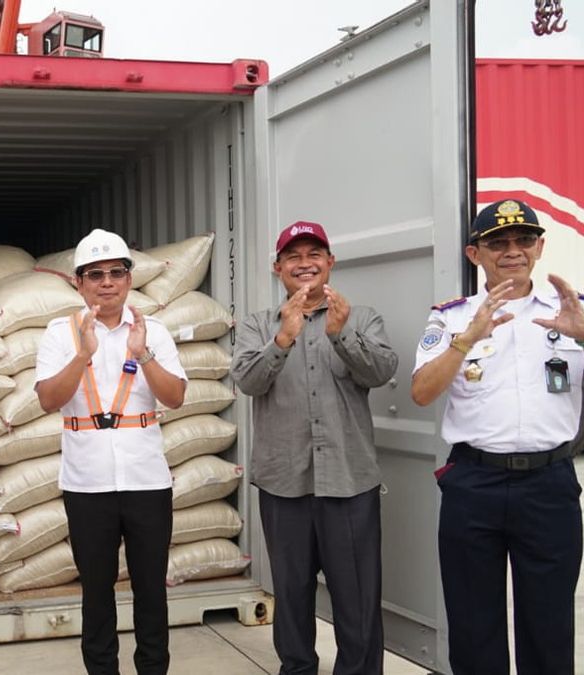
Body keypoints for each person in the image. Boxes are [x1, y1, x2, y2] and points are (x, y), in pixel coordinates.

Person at [411, 199, 584, 675]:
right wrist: (467, 339)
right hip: (474, 484)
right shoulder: (451, 318)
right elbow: (422, 392)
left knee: (549, 626)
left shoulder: (573, 311)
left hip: (549, 485)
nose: (512, 251)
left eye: (524, 239)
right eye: (497, 242)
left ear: (539, 247)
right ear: (475, 254)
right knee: (473, 626)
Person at [232, 221, 397, 675]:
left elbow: (381, 371)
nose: (304, 264)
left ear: (330, 262)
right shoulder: (257, 325)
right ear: (278, 268)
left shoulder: (361, 318)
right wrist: (283, 339)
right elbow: (247, 381)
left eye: (314, 254)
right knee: (291, 593)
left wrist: (341, 335)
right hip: (283, 483)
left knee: (358, 597)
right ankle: (297, 668)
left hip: (349, 482)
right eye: (293, 256)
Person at [34, 228, 187, 675]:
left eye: (116, 273)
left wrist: (144, 355)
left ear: (129, 279)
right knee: (96, 592)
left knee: (150, 590)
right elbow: (48, 399)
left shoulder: (153, 331)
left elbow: (176, 397)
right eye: (95, 275)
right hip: (87, 483)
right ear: (78, 283)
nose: (107, 283)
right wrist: (83, 354)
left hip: (146, 480)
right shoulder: (59, 333)